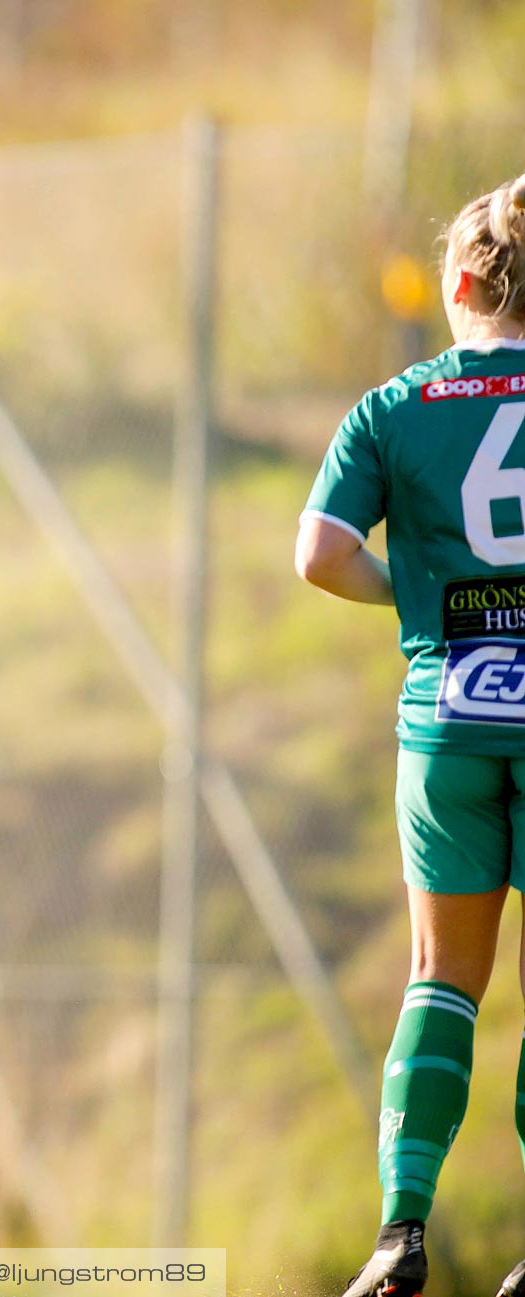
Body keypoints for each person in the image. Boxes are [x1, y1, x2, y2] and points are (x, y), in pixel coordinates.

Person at [298, 175, 525, 1297]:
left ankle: (400, 1230)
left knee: (443, 976)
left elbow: (319, 554)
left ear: (460, 283)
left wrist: (421, 605)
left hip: (451, 715)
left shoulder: (393, 407)